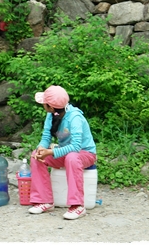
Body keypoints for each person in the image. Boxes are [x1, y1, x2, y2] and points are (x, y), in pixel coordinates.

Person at [28, 85, 97, 220]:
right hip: (65, 152)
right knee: (35, 155)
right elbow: (46, 137)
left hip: (85, 154)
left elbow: (76, 147)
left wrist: (51, 152)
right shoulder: (51, 114)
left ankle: (77, 206)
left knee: (71, 158)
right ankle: (44, 201)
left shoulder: (74, 117)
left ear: (51, 106)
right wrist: (42, 149)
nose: (43, 105)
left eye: (44, 103)